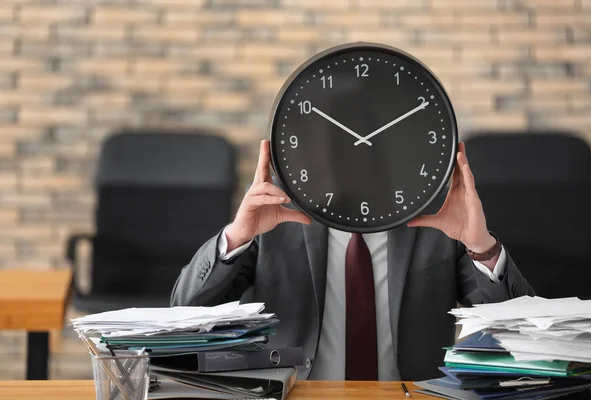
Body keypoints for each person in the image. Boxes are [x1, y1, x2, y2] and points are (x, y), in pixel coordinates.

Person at [171, 139, 535, 381]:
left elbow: (520, 332)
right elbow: (184, 314)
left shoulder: (437, 221)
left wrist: (482, 247)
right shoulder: (274, 219)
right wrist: (238, 236)